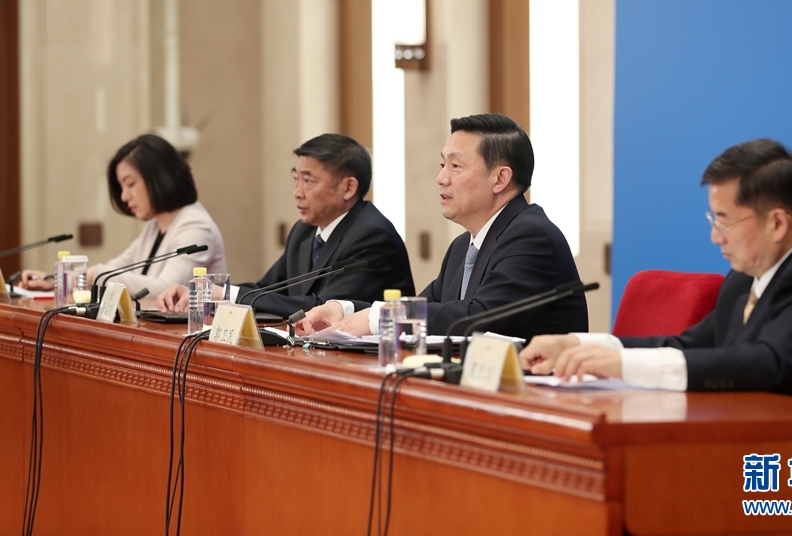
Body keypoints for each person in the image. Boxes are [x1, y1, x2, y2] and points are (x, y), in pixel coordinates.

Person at [520, 139, 792, 410]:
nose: (715, 236)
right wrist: (579, 346)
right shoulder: (745, 279)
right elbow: (687, 346)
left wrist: (620, 366)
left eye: (724, 221)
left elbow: (765, 364)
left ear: (777, 223)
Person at [296, 113, 588, 340]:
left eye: (455, 166)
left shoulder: (532, 236)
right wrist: (344, 309)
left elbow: (479, 316)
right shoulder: (463, 246)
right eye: (442, 165)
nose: (441, 178)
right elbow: (424, 306)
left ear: (500, 179)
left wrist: (377, 318)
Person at [156, 133, 415, 317]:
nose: (297, 192)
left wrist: (226, 294)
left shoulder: (372, 236)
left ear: (348, 187)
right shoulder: (304, 232)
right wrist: (204, 293)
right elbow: (267, 290)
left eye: (308, 181)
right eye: (296, 179)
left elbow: (322, 309)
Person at [19, 134, 227, 302]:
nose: (124, 197)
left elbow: (164, 289)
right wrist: (59, 281)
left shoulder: (197, 227)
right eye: (121, 187)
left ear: (159, 177)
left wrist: (93, 274)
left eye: (130, 184)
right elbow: (118, 267)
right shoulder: (155, 227)